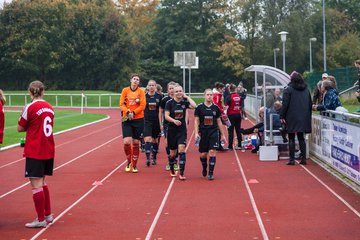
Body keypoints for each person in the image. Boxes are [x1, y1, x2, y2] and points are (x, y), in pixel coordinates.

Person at [17, 81, 55, 228]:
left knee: (36, 184)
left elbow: (20, 127)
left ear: (30, 92)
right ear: (43, 92)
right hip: (48, 148)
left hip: (35, 149)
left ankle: (40, 219)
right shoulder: (50, 107)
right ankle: (48, 215)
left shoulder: (30, 107)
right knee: (43, 182)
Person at [165, 84, 197, 180]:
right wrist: (174, 121)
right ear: (173, 93)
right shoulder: (169, 103)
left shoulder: (184, 102)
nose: (179, 93)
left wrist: (187, 97)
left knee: (182, 149)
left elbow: (194, 106)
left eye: (180, 91)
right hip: (172, 130)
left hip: (181, 130)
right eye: (177, 91)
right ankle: (171, 168)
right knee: (172, 153)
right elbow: (166, 116)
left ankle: (181, 173)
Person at [280, 71, 312, 165]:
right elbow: (310, 103)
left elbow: (285, 104)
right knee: (301, 137)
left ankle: (291, 159)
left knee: (291, 137)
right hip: (303, 116)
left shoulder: (288, 89)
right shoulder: (306, 89)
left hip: (292, 116)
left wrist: (282, 115)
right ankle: (303, 158)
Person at [194, 89, 226, 180]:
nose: (209, 96)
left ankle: (211, 173)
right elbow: (196, 121)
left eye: (211, 95)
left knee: (212, 152)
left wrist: (223, 135)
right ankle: (204, 167)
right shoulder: (199, 108)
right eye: (208, 95)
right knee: (203, 154)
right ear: (204, 96)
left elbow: (219, 122)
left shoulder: (216, 108)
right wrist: (196, 133)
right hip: (203, 132)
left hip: (213, 132)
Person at [120, 74, 146, 173]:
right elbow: (121, 104)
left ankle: (134, 165)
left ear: (139, 82)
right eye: (134, 79)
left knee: (136, 142)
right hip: (126, 118)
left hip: (138, 119)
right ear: (131, 80)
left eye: (137, 80)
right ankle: (128, 162)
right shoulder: (125, 90)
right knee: (126, 141)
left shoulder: (141, 92)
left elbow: (143, 105)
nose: (135, 81)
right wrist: (128, 112)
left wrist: (134, 113)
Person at [159, 81, 178, 171]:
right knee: (168, 144)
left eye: (173, 88)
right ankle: (170, 160)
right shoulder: (164, 100)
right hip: (167, 124)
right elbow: (160, 112)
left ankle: (175, 161)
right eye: (170, 88)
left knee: (177, 144)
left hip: (178, 125)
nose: (171, 90)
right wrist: (161, 123)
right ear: (167, 90)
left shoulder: (180, 99)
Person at [143, 80, 162, 166]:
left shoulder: (160, 96)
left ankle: (154, 157)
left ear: (155, 86)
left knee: (155, 140)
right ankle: (147, 158)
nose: (151, 87)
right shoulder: (143, 97)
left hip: (156, 122)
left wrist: (162, 122)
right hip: (147, 121)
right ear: (147, 86)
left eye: (153, 85)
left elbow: (162, 110)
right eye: (150, 85)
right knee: (147, 139)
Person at [225, 84, 242, 150]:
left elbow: (226, 107)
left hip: (231, 115)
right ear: (235, 89)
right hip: (238, 114)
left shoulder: (228, 97)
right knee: (238, 130)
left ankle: (230, 146)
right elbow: (240, 105)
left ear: (229, 89)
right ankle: (240, 145)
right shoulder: (238, 96)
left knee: (230, 130)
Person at [212, 81, 228, 151]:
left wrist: (223, 107)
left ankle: (218, 145)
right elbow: (216, 105)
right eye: (222, 89)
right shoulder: (217, 95)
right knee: (218, 130)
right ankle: (217, 145)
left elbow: (219, 105)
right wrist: (222, 111)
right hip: (216, 115)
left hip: (218, 113)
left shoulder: (219, 95)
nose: (223, 90)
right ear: (219, 88)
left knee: (218, 130)